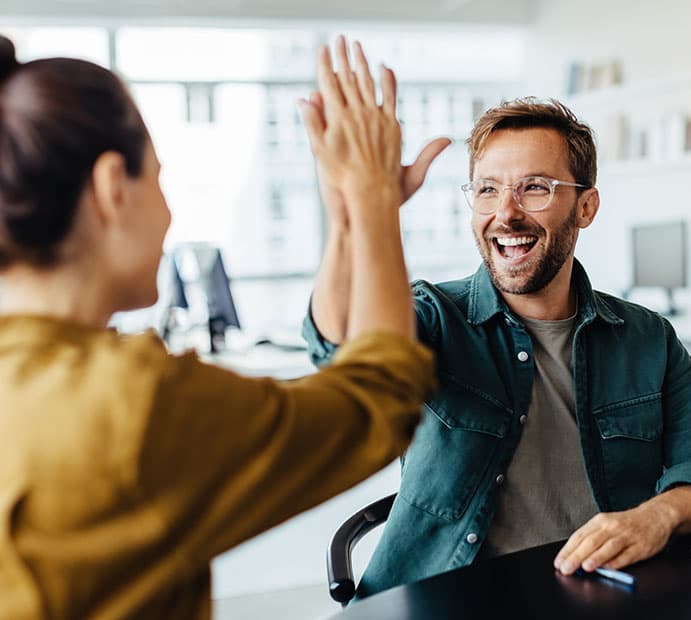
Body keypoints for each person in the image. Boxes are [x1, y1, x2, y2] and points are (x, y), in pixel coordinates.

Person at [0, 36, 438, 619]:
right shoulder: (127, 402)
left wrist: (351, 217)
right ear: (112, 189)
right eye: (158, 178)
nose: (170, 212)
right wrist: (374, 196)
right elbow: (379, 398)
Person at [303, 97, 691, 598]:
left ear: (586, 207)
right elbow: (338, 344)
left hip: (598, 597)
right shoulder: (433, 317)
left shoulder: (646, 337)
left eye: (534, 188)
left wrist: (658, 516)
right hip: (445, 600)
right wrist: (352, 214)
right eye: (488, 190)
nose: (505, 214)